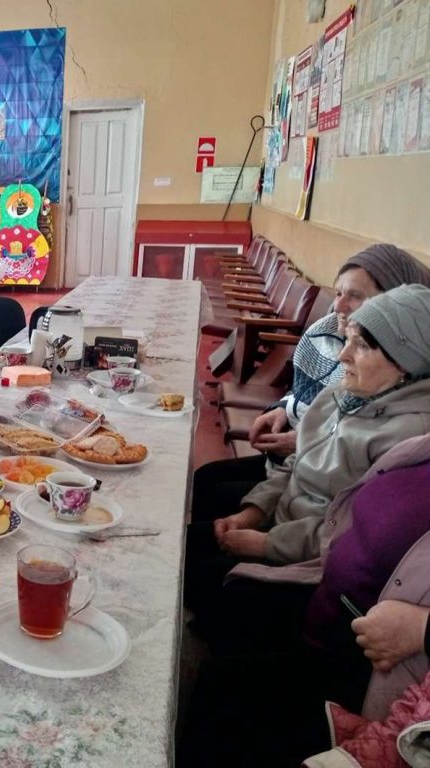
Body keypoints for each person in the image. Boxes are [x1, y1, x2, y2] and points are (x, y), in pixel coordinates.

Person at [186, 284, 430, 653]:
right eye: (349, 339)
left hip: (310, 560)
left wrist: (267, 544)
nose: (344, 355)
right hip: (281, 524)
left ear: (406, 364)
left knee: (193, 577)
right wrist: (252, 513)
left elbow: (347, 534)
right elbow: (295, 463)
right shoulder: (344, 394)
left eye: (363, 346)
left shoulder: (407, 440)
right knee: (181, 547)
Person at [181, 434, 430, 768]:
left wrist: (423, 628)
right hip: (317, 601)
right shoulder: (420, 448)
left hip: (372, 684)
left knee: (219, 694)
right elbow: (336, 518)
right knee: (206, 625)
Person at [191, 244, 430, 516]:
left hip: (311, 490)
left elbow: (342, 507)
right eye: (338, 293)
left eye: (355, 296)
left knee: (212, 497)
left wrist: (303, 440)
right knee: (205, 480)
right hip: (294, 468)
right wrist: (282, 408)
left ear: (394, 307)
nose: (338, 305)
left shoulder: (387, 382)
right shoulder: (325, 332)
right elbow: (302, 390)